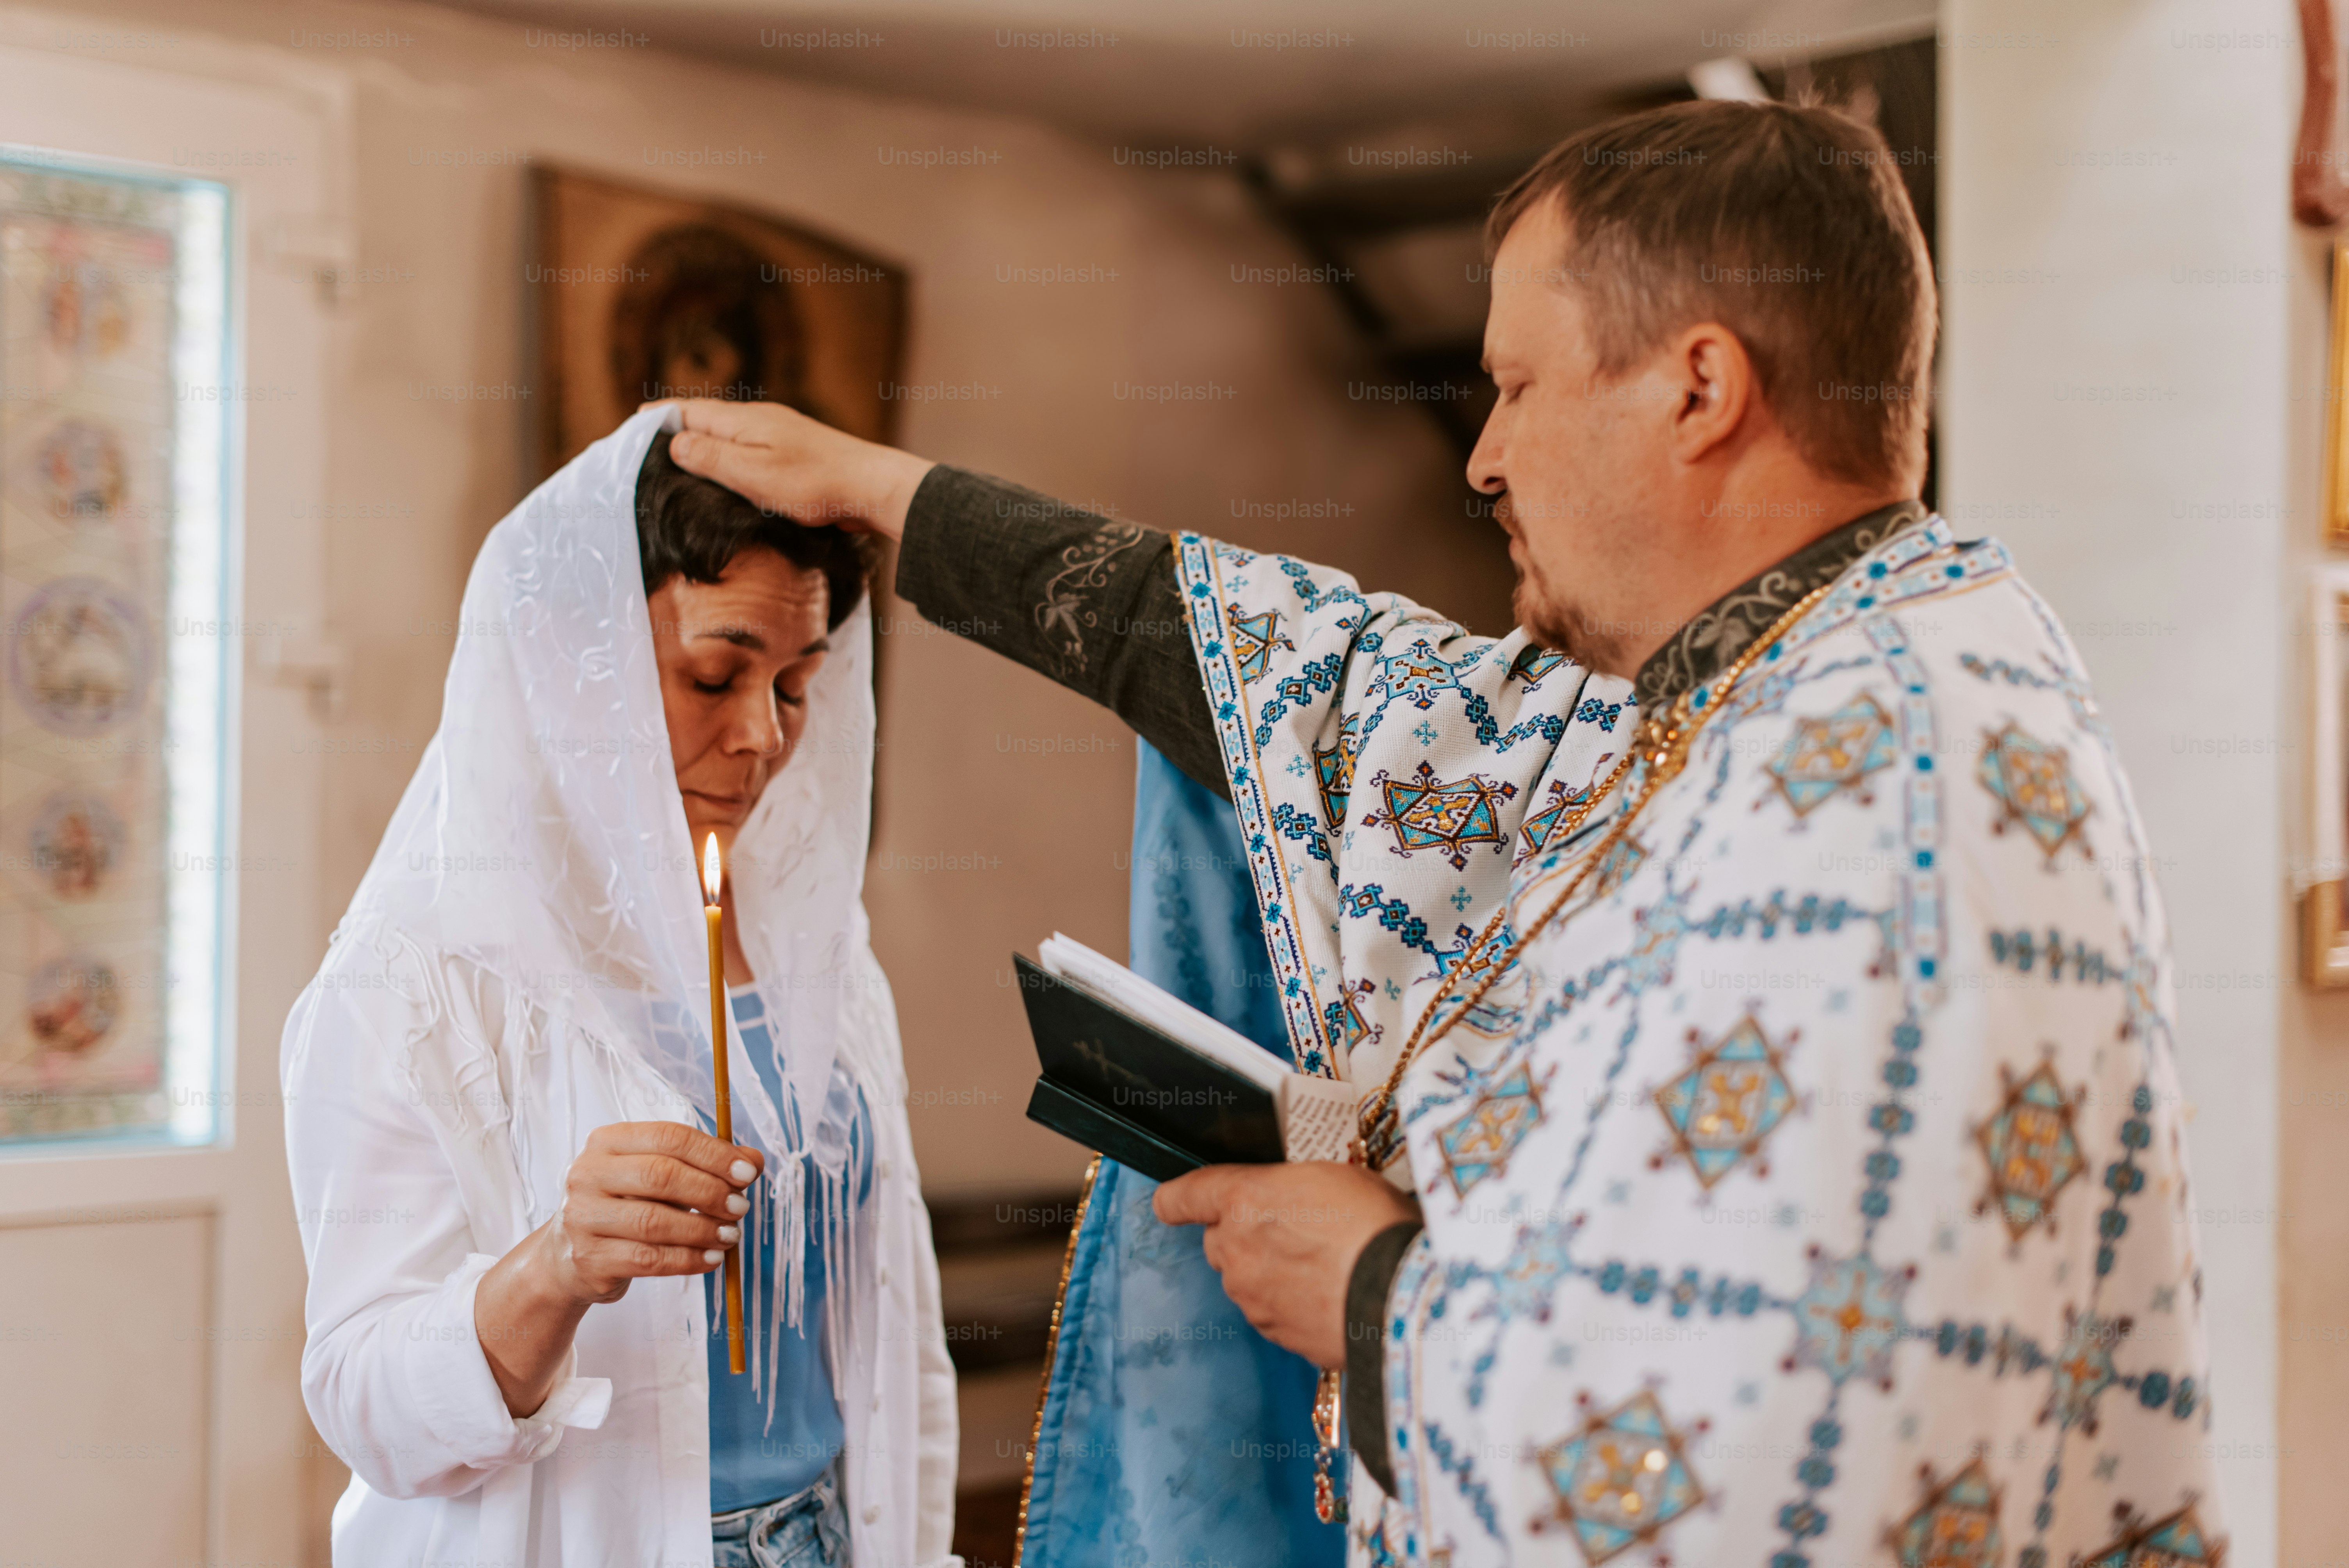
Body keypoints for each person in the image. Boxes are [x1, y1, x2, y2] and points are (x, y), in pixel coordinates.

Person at [662, 99, 2224, 1568]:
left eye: (1521, 384)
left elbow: (1773, 1445)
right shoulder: (1804, 681)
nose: (1481, 454)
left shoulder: (1877, 780)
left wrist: (1370, 1291)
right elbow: (1332, 681)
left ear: (1699, 386)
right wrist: (890, 493)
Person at [281, 406, 958, 1568]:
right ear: (567, 665)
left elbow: (899, 1327)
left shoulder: (820, 951)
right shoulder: (419, 975)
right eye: (712, 675)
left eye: (795, 688)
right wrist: (559, 1265)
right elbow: (362, 1400)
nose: (760, 738)